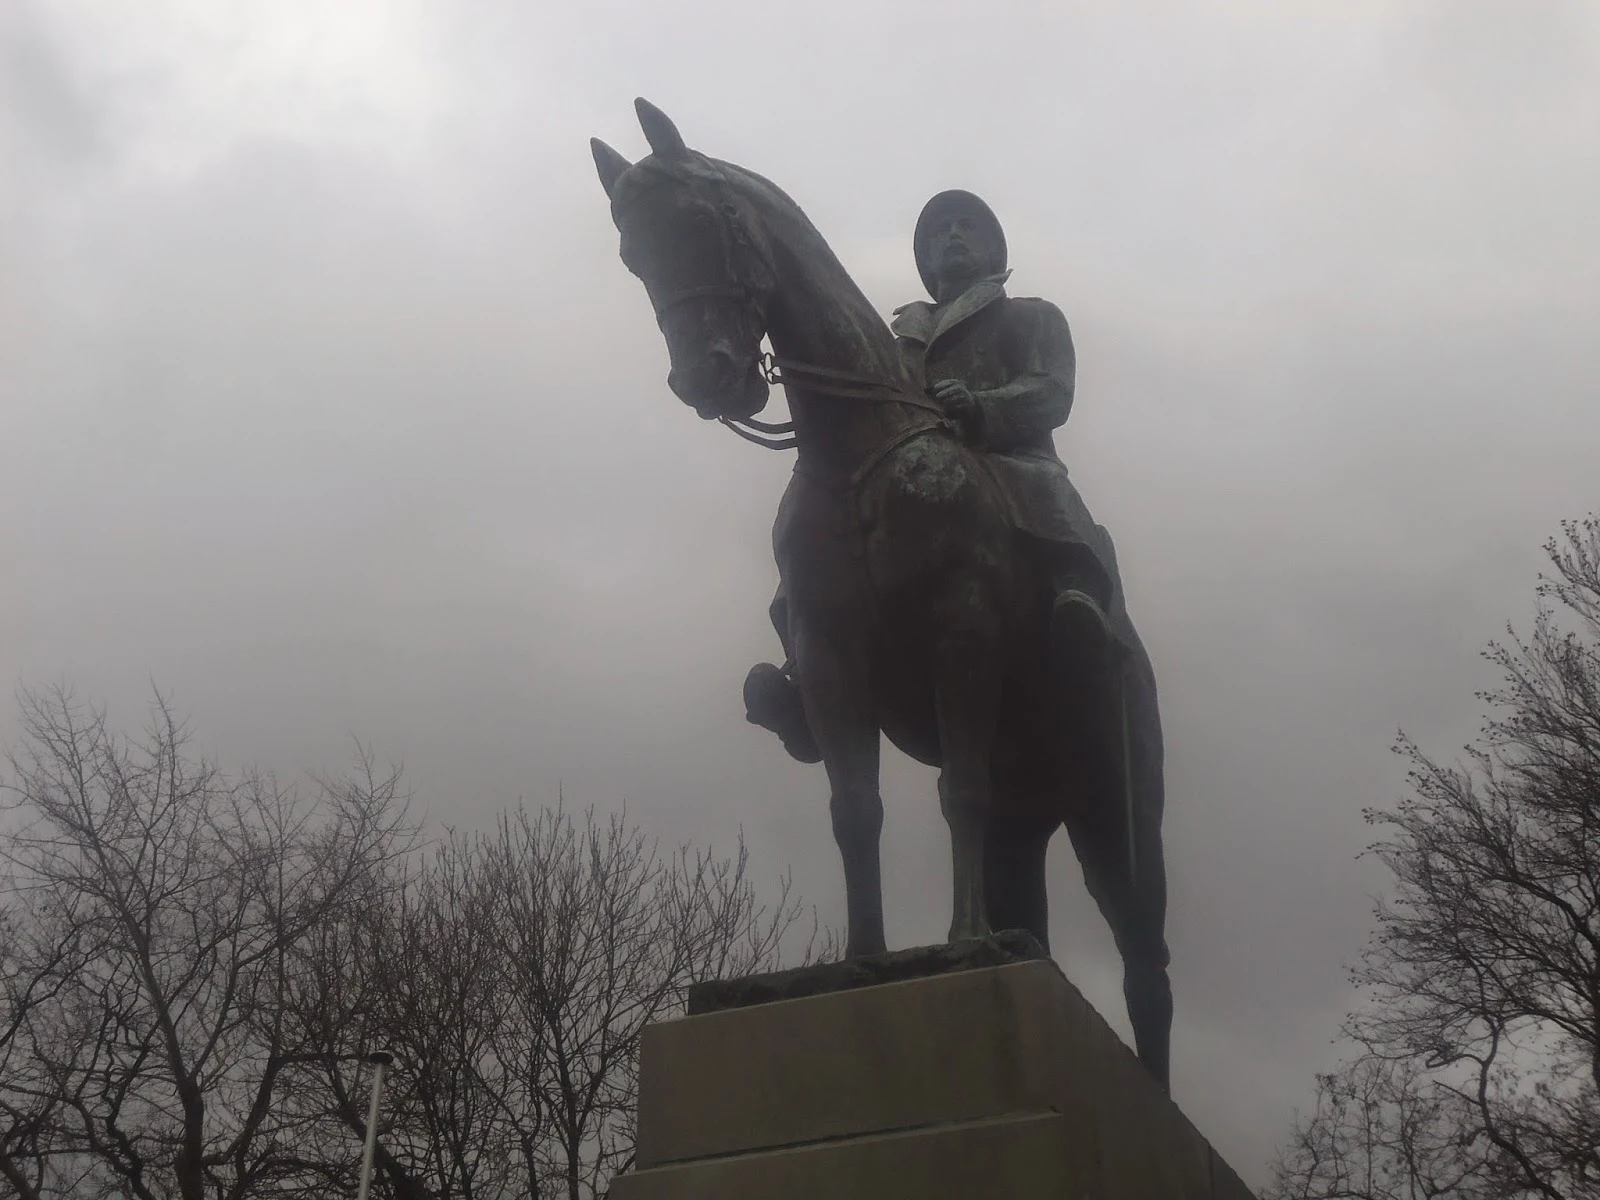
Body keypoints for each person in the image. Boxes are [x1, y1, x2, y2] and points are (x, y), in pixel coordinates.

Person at [743, 189, 1129, 763]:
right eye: (939, 230)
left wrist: (982, 404)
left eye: (965, 226)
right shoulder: (901, 340)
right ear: (925, 257)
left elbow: (1052, 393)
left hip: (1005, 454)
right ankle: (806, 668)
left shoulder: (1031, 316)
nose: (951, 236)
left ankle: (1073, 592)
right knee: (814, 540)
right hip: (917, 477)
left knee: (1044, 490)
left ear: (991, 248)